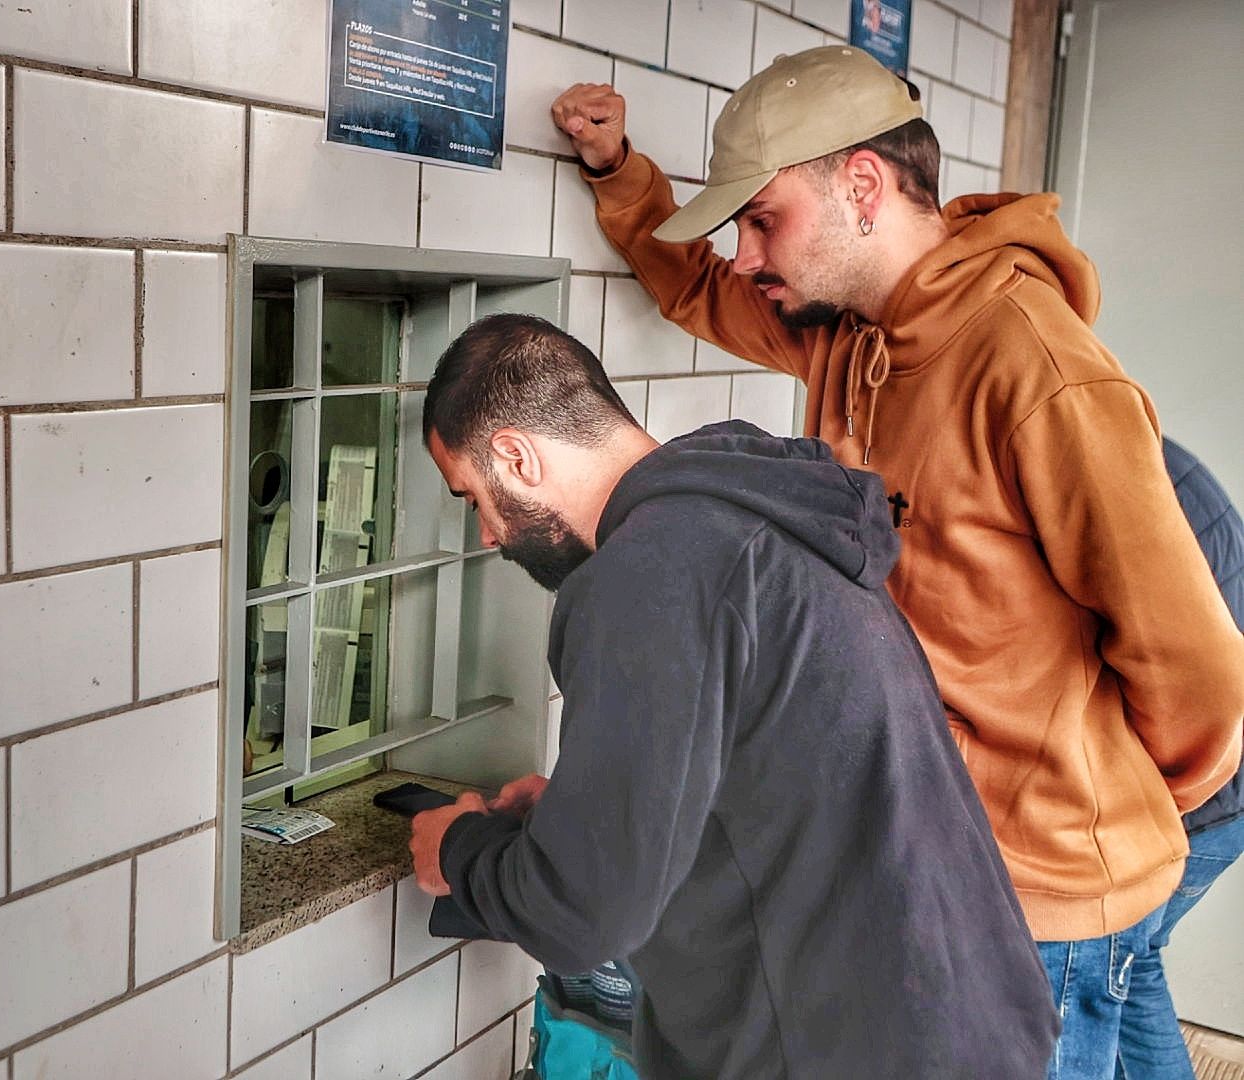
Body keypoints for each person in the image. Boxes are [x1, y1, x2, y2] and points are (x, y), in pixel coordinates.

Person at [549, 45, 1244, 1077]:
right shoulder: (852, 336)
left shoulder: (1036, 368)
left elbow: (1197, 672)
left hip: (1034, 897)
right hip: (939, 852)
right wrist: (620, 175)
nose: (745, 254)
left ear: (862, 188)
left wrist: (1087, 818)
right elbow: (698, 286)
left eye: (763, 219)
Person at [408, 312, 1058, 1079]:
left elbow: (583, 914)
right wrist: (579, 812)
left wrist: (457, 850)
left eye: (471, 496)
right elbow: (773, 767)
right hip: (961, 1016)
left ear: (515, 456)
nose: (486, 534)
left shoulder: (647, 574)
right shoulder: (747, 513)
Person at [1117, 439, 1244, 1079]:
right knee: (1126, 964)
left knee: (1125, 964)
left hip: (1210, 792)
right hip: (1222, 787)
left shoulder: (1113, 477)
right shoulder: (1151, 455)